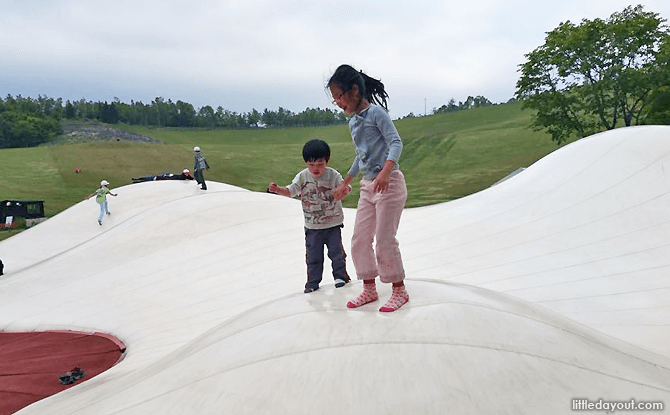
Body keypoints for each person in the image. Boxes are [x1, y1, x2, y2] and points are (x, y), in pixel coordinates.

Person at [328, 64, 409, 312]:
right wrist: (346, 182)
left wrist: (385, 173)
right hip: (367, 187)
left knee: (384, 240)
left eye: (339, 96)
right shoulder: (353, 122)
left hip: (389, 184)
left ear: (354, 91)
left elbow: (396, 142)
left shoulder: (376, 114)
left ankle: (399, 290)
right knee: (359, 239)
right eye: (334, 99)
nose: (337, 102)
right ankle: (370, 289)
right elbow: (361, 156)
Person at [269, 139, 351, 293]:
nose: (315, 168)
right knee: (313, 256)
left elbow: (345, 188)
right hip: (312, 227)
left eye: (320, 164)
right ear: (306, 162)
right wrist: (278, 190)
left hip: (333, 224)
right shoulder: (302, 177)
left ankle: (340, 277)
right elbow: (291, 191)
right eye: (311, 164)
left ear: (327, 161)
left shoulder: (333, 175)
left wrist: (342, 191)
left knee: (337, 253)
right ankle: (313, 282)